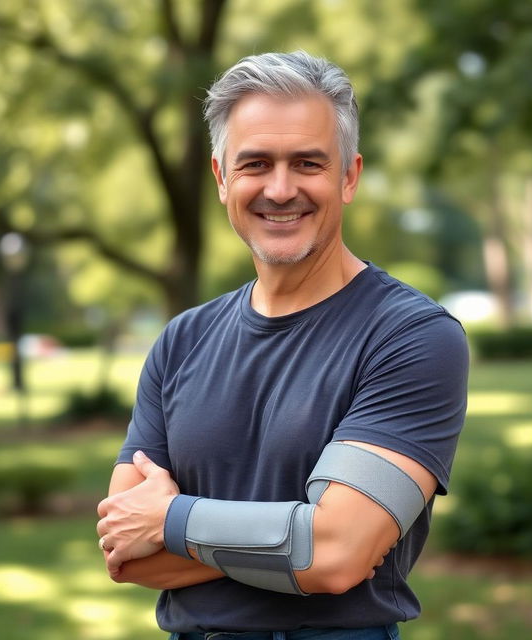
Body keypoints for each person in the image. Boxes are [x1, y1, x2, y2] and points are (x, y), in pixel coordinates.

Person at [96, 51, 468, 640]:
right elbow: (128, 552)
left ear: (348, 176)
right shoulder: (182, 341)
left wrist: (168, 518)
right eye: (255, 163)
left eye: (308, 163)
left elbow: (338, 554)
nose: (280, 187)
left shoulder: (412, 337)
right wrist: (296, 542)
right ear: (222, 179)